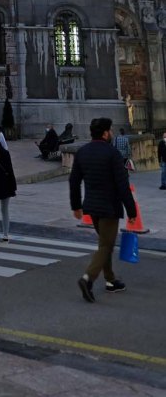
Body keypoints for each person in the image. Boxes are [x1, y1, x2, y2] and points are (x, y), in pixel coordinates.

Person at [69, 117, 137, 302]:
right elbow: (122, 185)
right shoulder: (112, 154)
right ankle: (88, 279)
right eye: (111, 130)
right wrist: (132, 211)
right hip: (109, 207)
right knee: (106, 246)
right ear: (106, 133)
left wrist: (76, 206)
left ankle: (111, 280)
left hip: (92, 207)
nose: (112, 133)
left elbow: (74, 181)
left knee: (104, 244)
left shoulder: (82, 152)